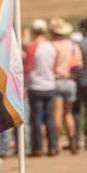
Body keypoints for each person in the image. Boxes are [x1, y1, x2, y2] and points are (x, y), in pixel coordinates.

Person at [24, 18, 57, 156]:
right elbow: (54, 66)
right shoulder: (51, 46)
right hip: (50, 85)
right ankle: (52, 146)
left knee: (36, 118)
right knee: (49, 117)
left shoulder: (32, 47)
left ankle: (37, 148)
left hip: (36, 86)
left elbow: (28, 68)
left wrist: (24, 85)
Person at [50, 17, 82, 153]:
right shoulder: (72, 45)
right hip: (70, 81)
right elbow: (79, 64)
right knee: (69, 113)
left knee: (57, 113)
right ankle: (72, 141)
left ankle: (55, 143)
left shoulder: (51, 45)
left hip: (57, 81)